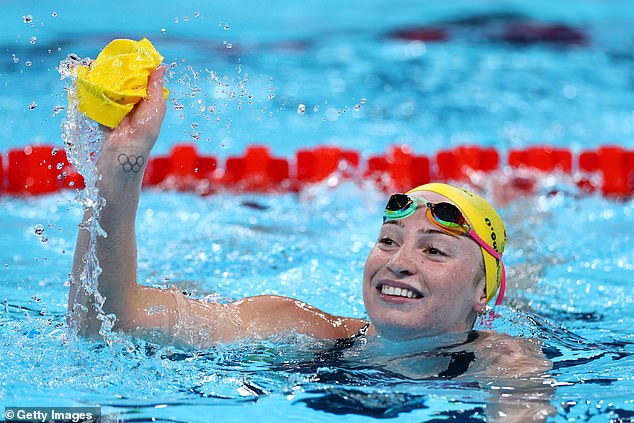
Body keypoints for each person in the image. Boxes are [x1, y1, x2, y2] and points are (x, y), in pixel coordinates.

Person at [67, 66, 549, 369]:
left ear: (482, 292)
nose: (398, 262)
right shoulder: (297, 327)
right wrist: (120, 168)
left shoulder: (505, 361)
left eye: (434, 249)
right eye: (388, 240)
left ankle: (528, 229)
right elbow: (105, 321)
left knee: (529, 287)